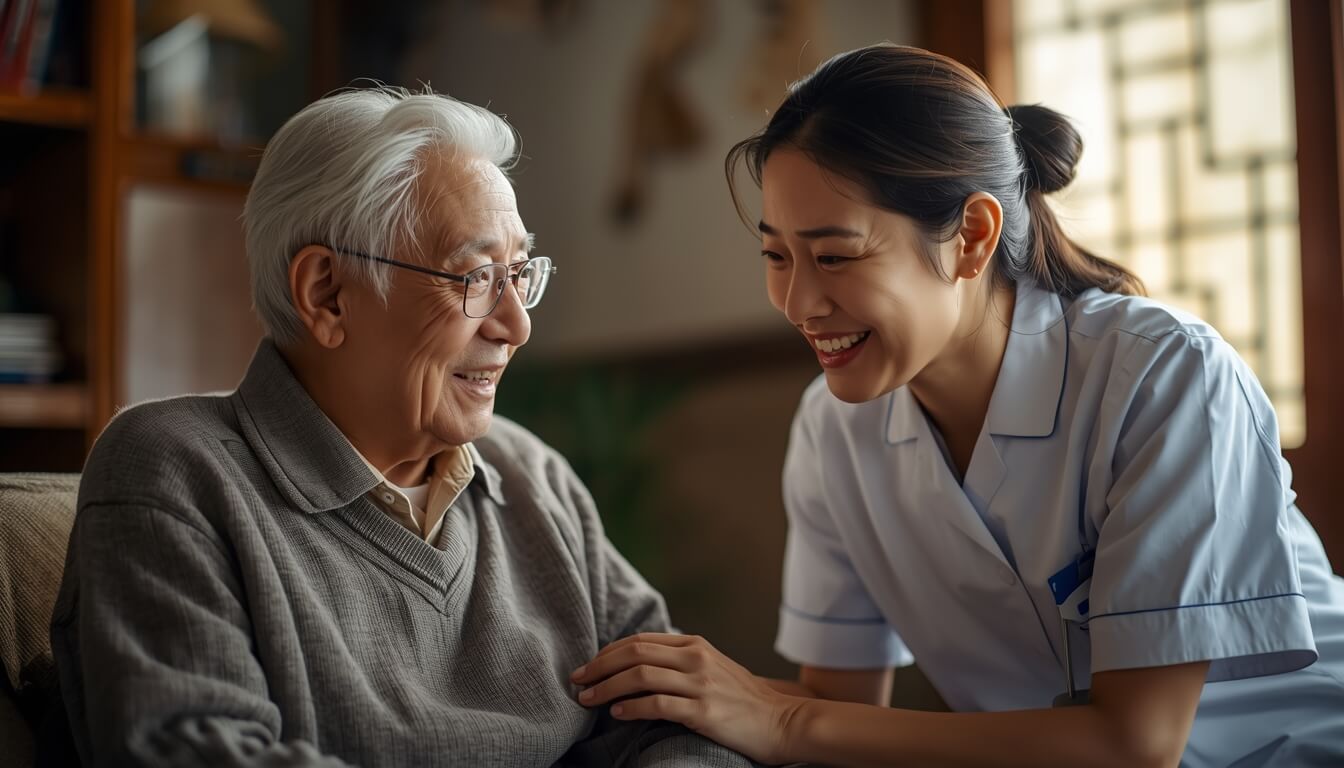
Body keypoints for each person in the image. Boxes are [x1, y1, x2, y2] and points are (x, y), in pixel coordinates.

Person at [571, 44, 1344, 766]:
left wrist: (781, 718)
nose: (799, 302)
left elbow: (1135, 745)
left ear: (972, 237)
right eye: (776, 256)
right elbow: (839, 710)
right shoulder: (833, 428)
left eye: (835, 256)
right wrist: (698, 689)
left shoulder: (1163, 377)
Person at [51, 87, 754, 768]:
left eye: (520, 273)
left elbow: (692, 719)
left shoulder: (533, 477)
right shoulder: (171, 472)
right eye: (477, 277)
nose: (517, 325)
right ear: (326, 294)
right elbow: (196, 748)